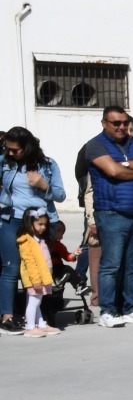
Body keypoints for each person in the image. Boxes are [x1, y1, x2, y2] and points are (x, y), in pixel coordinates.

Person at [84, 106, 133, 326]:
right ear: (104, 123)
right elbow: (112, 171)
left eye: (124, 122)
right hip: (112, 213)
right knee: (112, 265)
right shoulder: (95, 145)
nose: (121, 127)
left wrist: (125, 164)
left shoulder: (132, 144)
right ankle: (108, 311)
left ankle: (131, 308)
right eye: (116, 123)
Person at [1, 130, 65, 336]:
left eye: (15, 150)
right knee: (11, 268)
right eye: (7, 149)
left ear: (27, 147)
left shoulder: (48, 165)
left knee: (40, 268)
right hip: (13, 219)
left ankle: (38, 318)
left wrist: (43, 185)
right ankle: (7, 317)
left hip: (41, 223)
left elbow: (61, 195)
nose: (10, 153)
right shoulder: (4, 162)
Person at [16, 209, 61, 336]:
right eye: (40, 224)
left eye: (45, 224)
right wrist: (35, 279)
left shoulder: (38, 239)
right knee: (34, 302)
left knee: (37, 302)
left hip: (43, 276)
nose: (43, 227)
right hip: (35, 278)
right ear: (29, 224)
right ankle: (30, 326)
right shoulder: (26, 240)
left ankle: (40, 323)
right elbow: (29, 262)